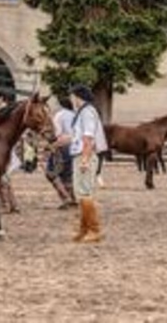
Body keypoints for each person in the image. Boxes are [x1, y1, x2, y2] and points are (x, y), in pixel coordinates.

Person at [68, 84, 106, 243]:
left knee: (85, 193)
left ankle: (94, 230)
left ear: (77, 97)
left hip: (85, 156)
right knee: (81, 194)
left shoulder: (87, 112)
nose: (71, 99)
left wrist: (84, 159)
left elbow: (88, 137)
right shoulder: (83, 112)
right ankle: (84, 229)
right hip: (81, 154)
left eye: (72, 96)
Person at [46, 96, 77, 209]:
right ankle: (73, 199)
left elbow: (57, 133)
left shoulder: (59, 115)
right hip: (74, 147)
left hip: (62, 146)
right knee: (67, 175)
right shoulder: (74, 115)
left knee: (51, 173)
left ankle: (66, 198)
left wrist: (51, 146)